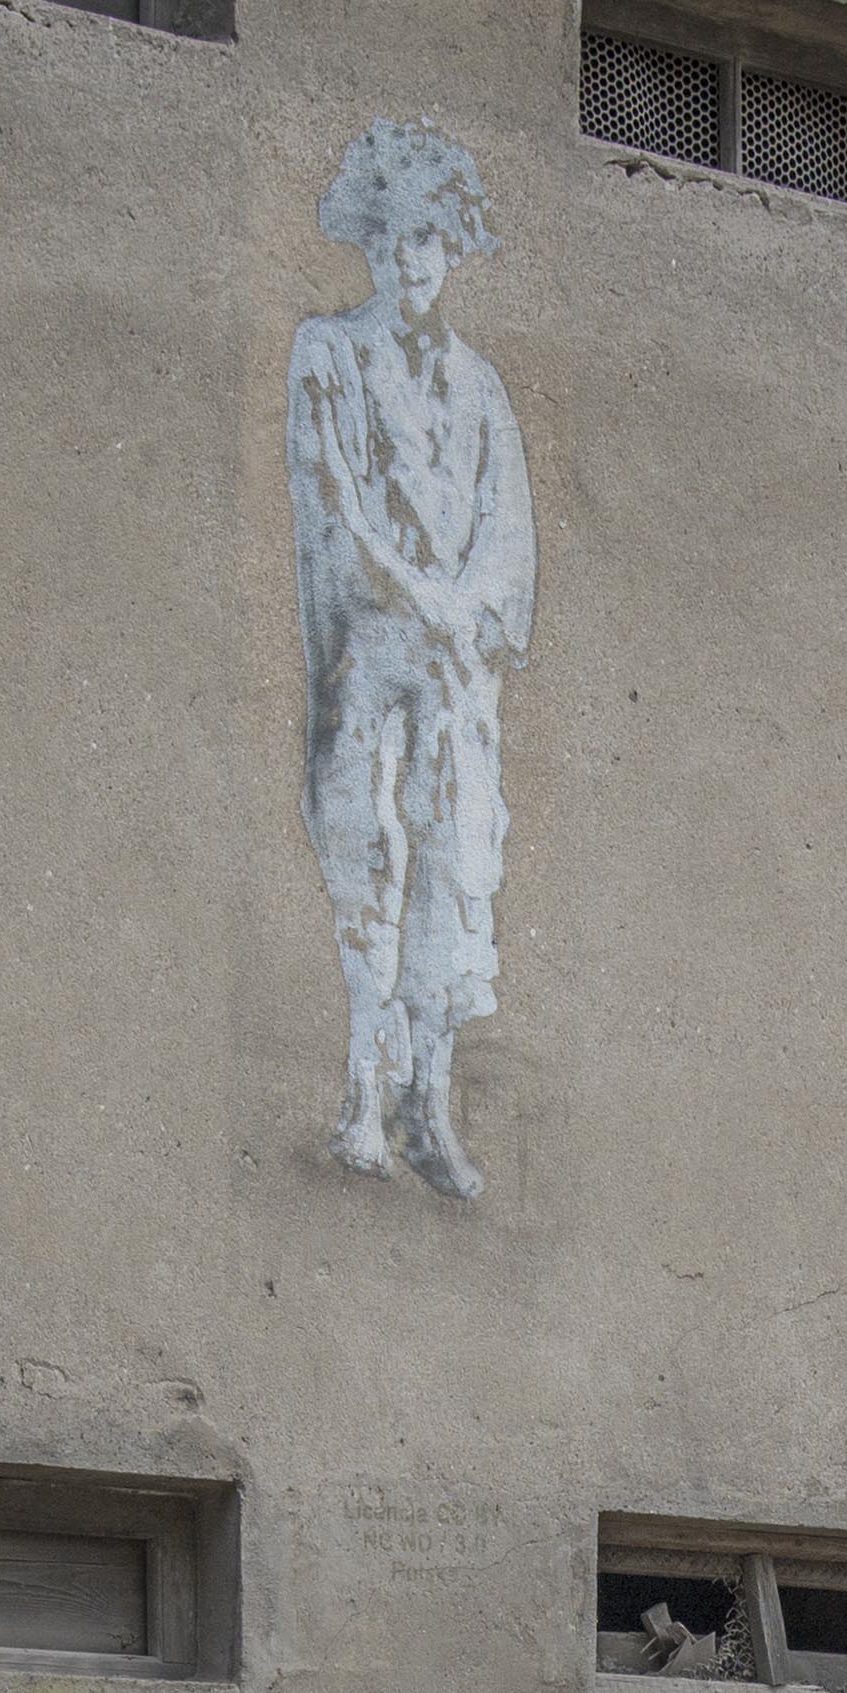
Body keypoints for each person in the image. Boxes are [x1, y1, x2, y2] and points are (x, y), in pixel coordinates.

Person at [289, 118, 536, 1200]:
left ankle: (425, 1104)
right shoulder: (327, 354)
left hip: (451, 670)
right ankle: (361, 1094)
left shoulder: (479, 387)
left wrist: (467, 606)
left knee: (451, 868)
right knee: (369, 864)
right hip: (374, 654)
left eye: (429, 239)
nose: (412, 259)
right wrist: (420, 597)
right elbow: (335, 506)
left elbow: (506, 528)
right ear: (369, 246)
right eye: (392, 239)